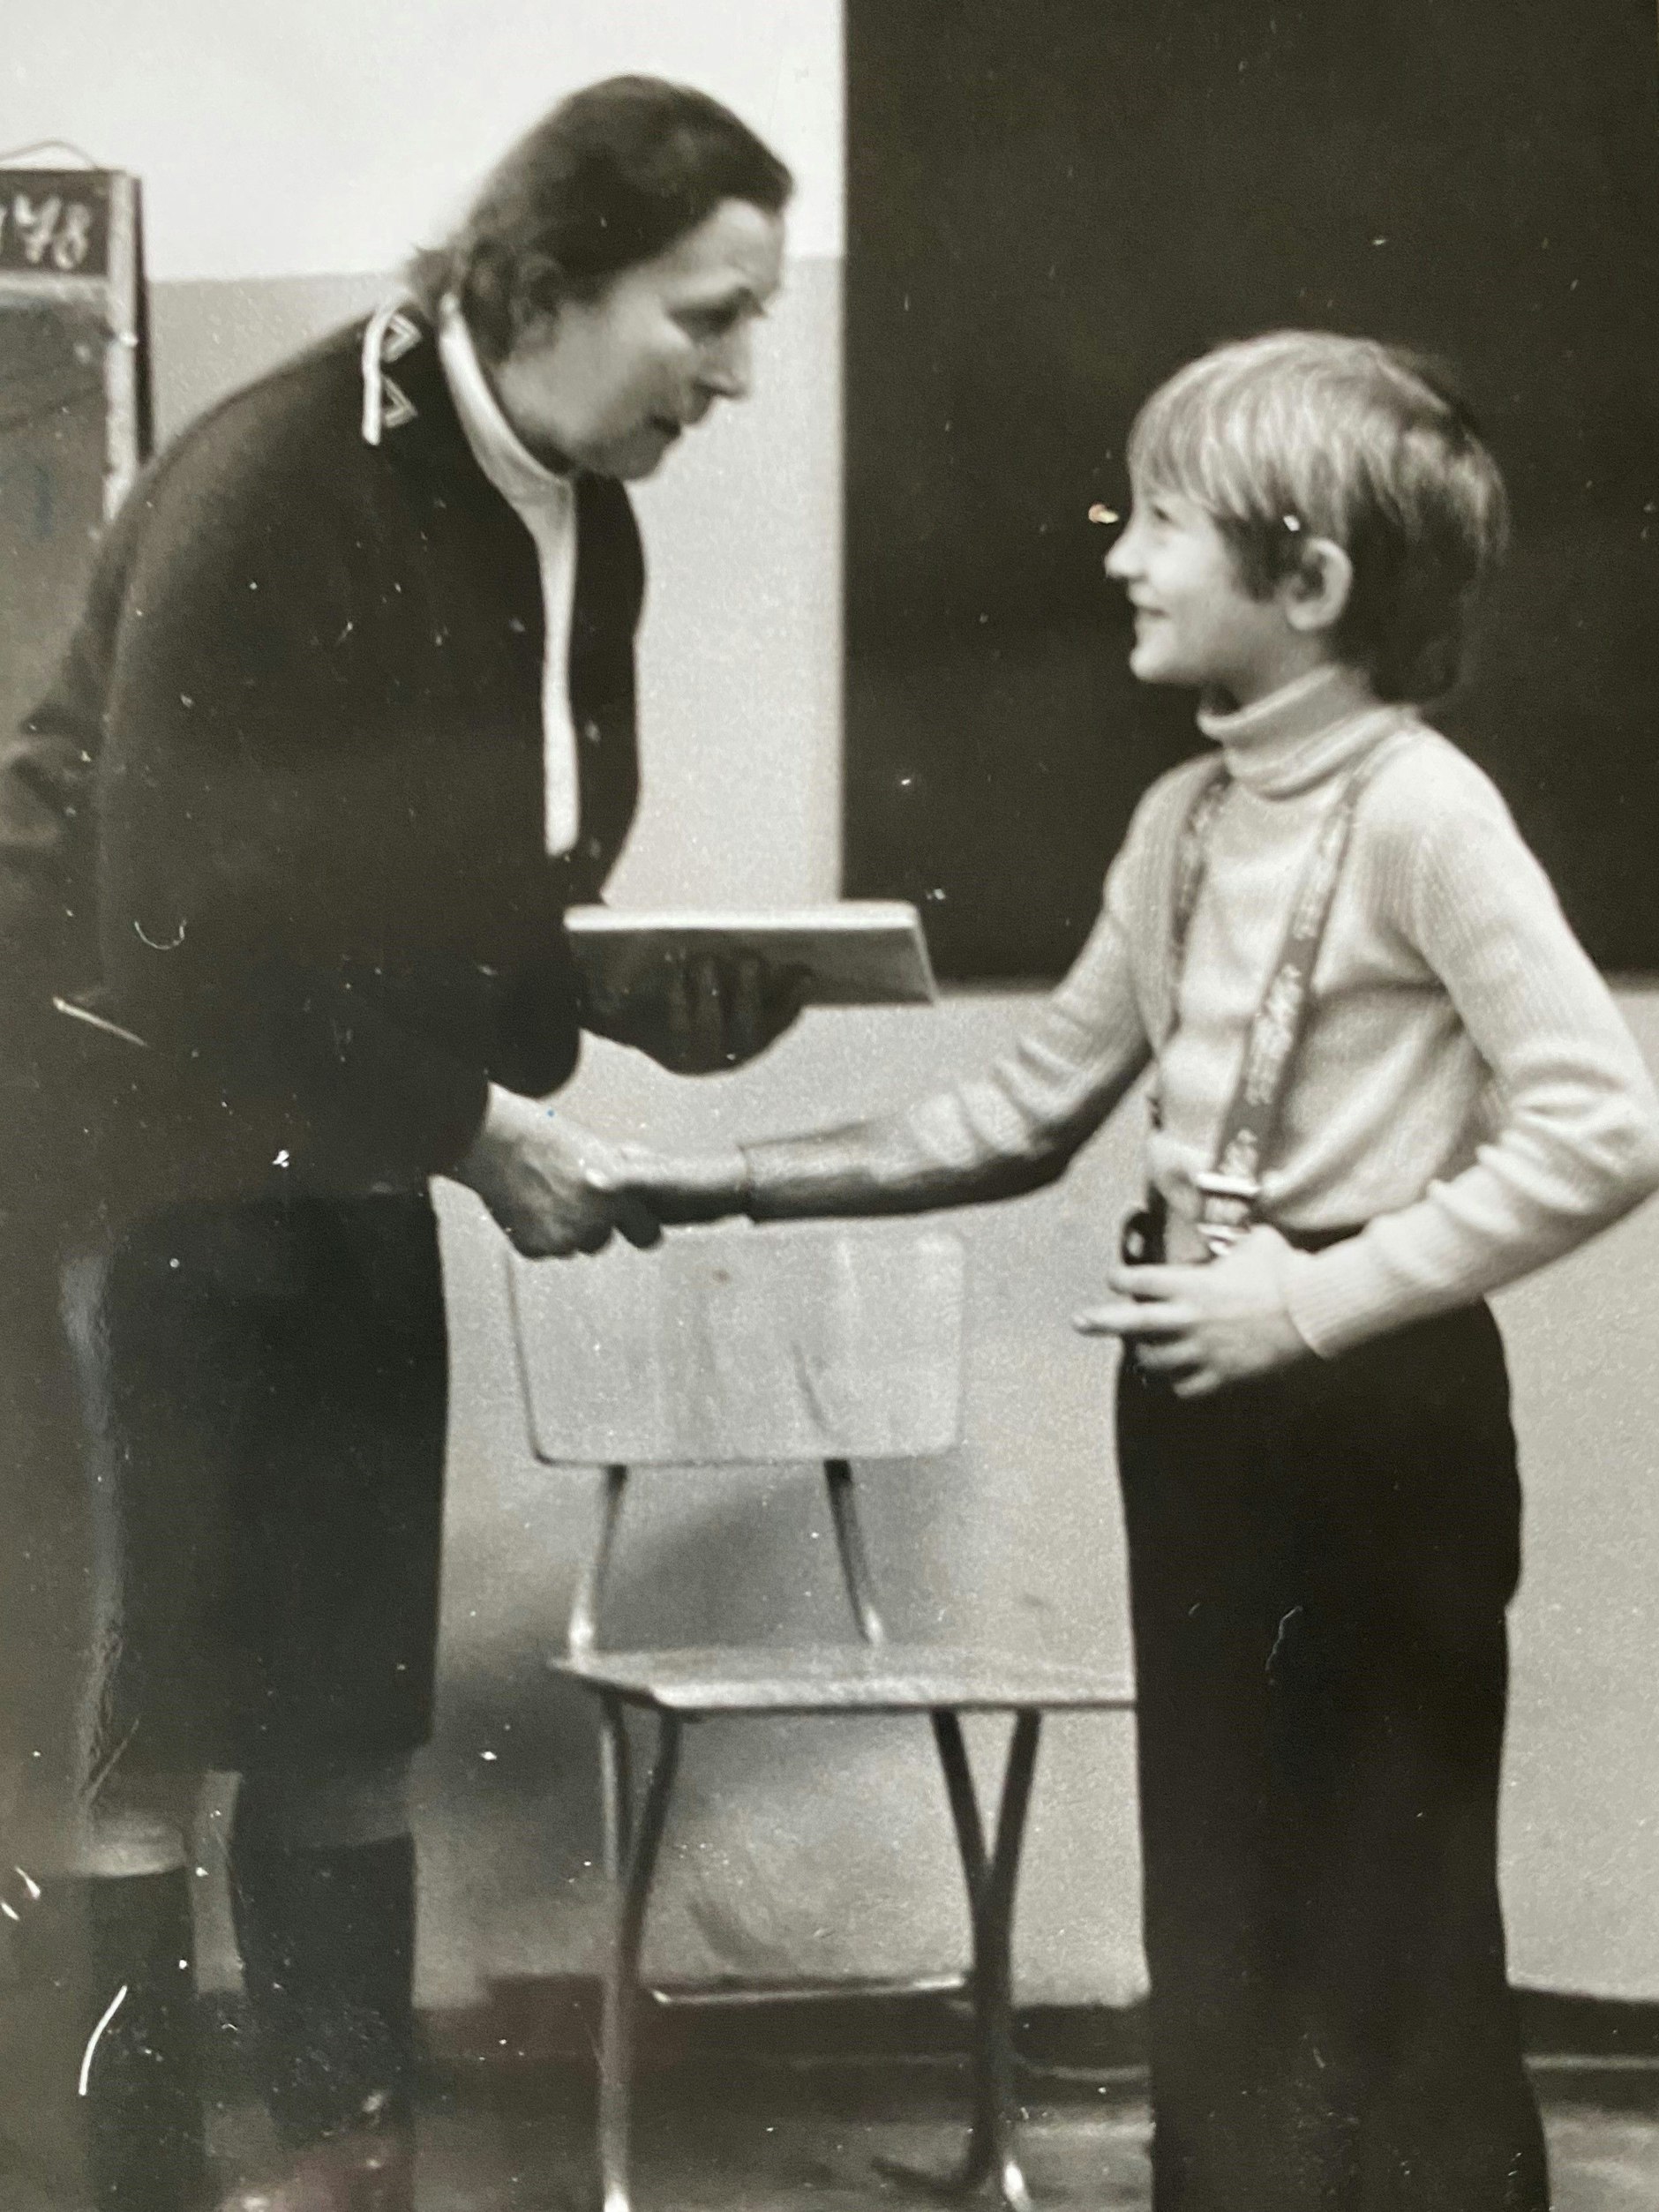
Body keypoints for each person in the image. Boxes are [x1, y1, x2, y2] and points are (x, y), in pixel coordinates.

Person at [618, 332, 1659, 2209]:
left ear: (1312, 582)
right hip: (1194, 1403)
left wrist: (1310, 1301)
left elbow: (1603, 1125)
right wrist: (712, 1183)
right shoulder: (1183, 822)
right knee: (1222, 1875)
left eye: (1161, 520)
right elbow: (1024, 1110)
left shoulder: (1425, 812)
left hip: (1375, 1404)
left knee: (1380, 1890)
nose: (1118, 556)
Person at [0, 76, 800, 2212]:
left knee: (348, 1713)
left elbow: (471, 917)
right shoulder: (282, 475)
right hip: (124, 1162)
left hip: (343, 1153)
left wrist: (645, 998)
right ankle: (148, 2190)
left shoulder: (577, 514)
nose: (741, 373)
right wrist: (477, 1126)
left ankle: (348, 2179)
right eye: (708, 316)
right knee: (143, 1732)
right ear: (547, 280)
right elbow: (176, 915)